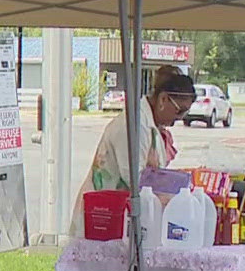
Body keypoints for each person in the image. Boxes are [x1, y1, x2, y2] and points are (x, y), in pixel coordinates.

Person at [70, 70, 197, 236]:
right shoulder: (134, 125)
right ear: (163, 99)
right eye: (180, 111)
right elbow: (136, 179)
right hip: (101, 217)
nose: (180, 118)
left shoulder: (151, 125)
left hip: (119, 219)